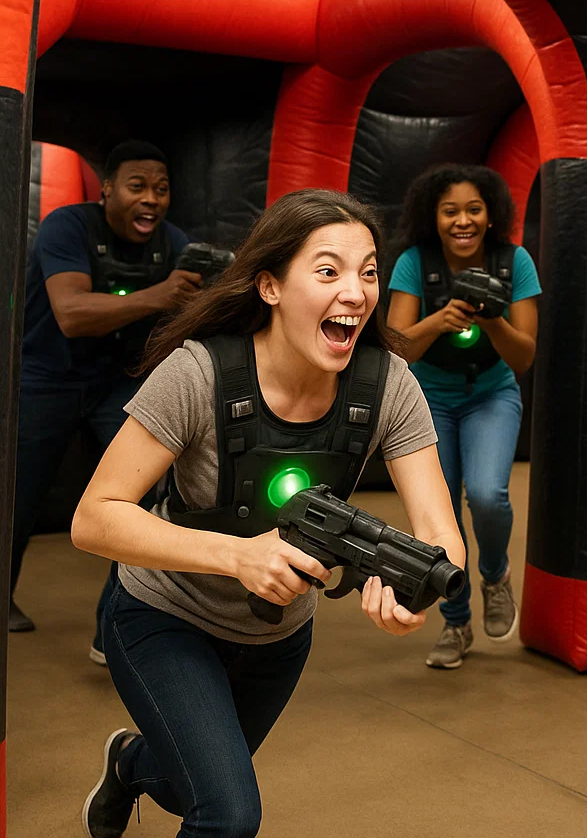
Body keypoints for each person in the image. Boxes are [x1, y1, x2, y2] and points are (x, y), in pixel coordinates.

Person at [71, 188, 464, 838]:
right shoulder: (197, 373)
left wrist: (411, 593)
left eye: (369, 272)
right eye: (329, 270)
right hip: (163, 615)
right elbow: (94, 518)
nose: (356, 292)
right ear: (270, 286)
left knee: (183, 787)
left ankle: (128, 764)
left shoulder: (389, 384)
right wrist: (239, 555)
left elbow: (439, 531)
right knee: (226, 815)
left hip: (277, 639)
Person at [13, 139, 199, 654]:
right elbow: (71, 314)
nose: (151, 199)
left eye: (161, 189)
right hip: (47, 375)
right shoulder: (68, 226)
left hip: (118, 382)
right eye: (137, 187)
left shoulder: (175, 243)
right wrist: (158, 295)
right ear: (108, 190)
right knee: (16, 499)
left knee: (142, 497)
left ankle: (112, 629)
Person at [387, 164, 540, 669]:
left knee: (489, 496)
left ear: (490, 215)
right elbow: (396, 349)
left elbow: (524, 357)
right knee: (441, 515)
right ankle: (456, 622)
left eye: (474, 210)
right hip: (428, 399)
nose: (463, 221)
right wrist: (439, 319)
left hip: (491, 395)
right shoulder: (414, 262)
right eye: (450, 211)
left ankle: (495, 576)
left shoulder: (514, 261)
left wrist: (492, 319)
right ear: (432, 217)